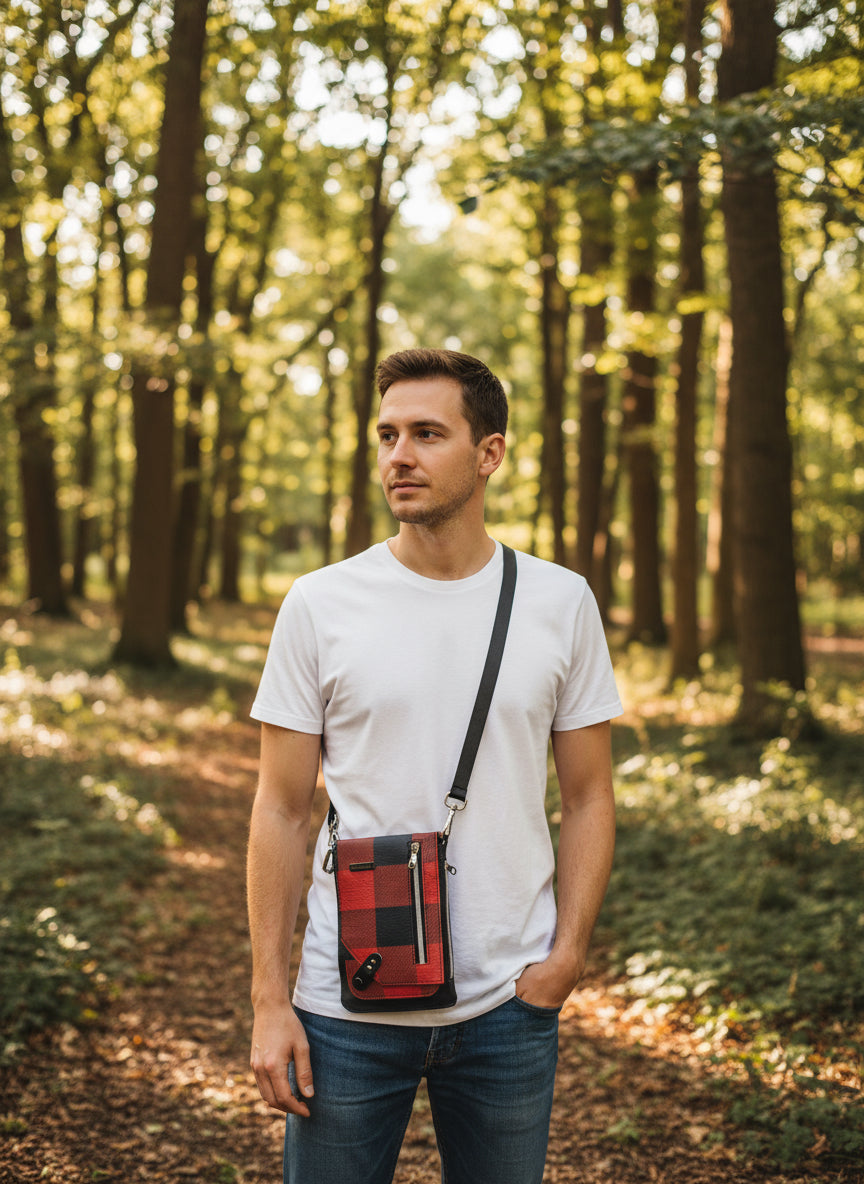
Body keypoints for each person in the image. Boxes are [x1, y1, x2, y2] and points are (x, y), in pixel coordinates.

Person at [247, 347, 622, 1184]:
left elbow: (591, 796)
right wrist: (271, 1001)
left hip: (507, 1009)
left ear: (488, 453)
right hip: (346, 1002)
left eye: (426, 433)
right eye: (387, 435)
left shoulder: (560, 603)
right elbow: (279, 808)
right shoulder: (320, 603)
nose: (398, 456)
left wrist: (567, 957)